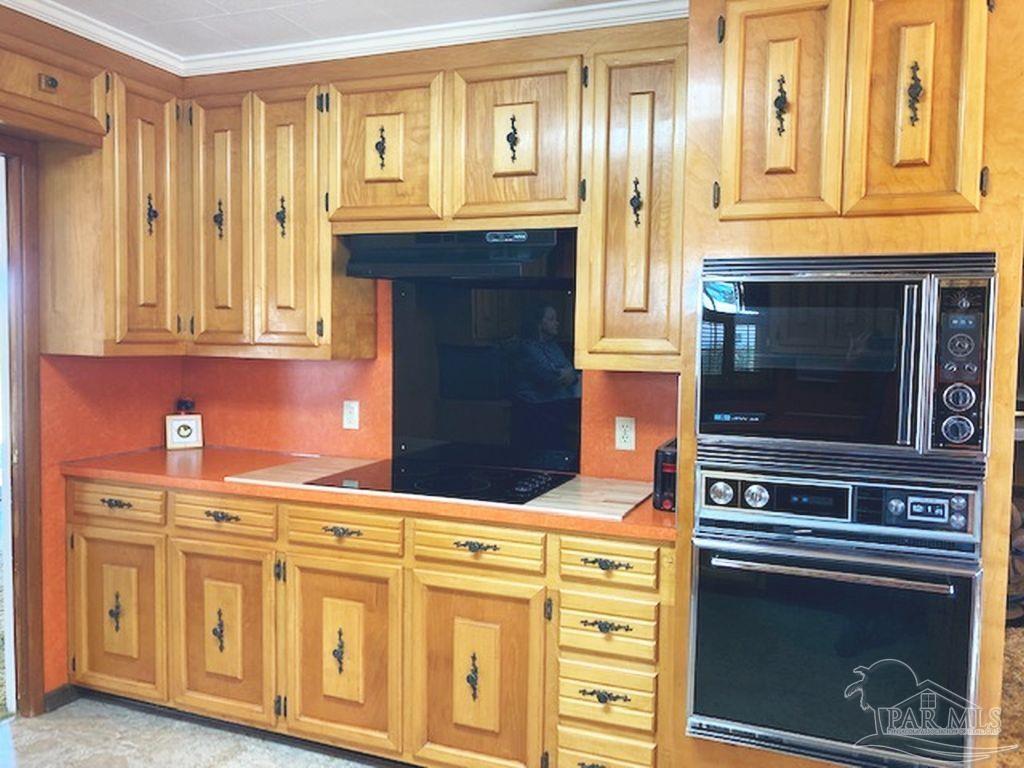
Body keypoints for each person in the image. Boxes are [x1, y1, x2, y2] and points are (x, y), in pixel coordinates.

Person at [511, 304, 581, 451]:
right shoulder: (527, 348)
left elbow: (571, 373)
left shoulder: (554, 346)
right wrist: (566, 373)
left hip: (557, 406)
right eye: (551, 319)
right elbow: (551, 378)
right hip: (537, 411)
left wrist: (569, 373)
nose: (557, 323)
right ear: (539, 323)